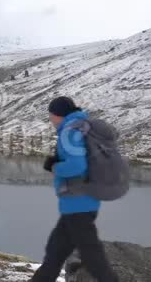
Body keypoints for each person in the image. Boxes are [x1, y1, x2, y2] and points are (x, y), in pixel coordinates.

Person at [31, 96, 118, 282]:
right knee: (54, 252)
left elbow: (77, 166)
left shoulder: (69, 132)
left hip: (79, 203)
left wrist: (56, 167)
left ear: (59, 115)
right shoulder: (79, 127)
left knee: (92, 256)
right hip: (77, 203)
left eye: (51, 115)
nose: (50, 119)